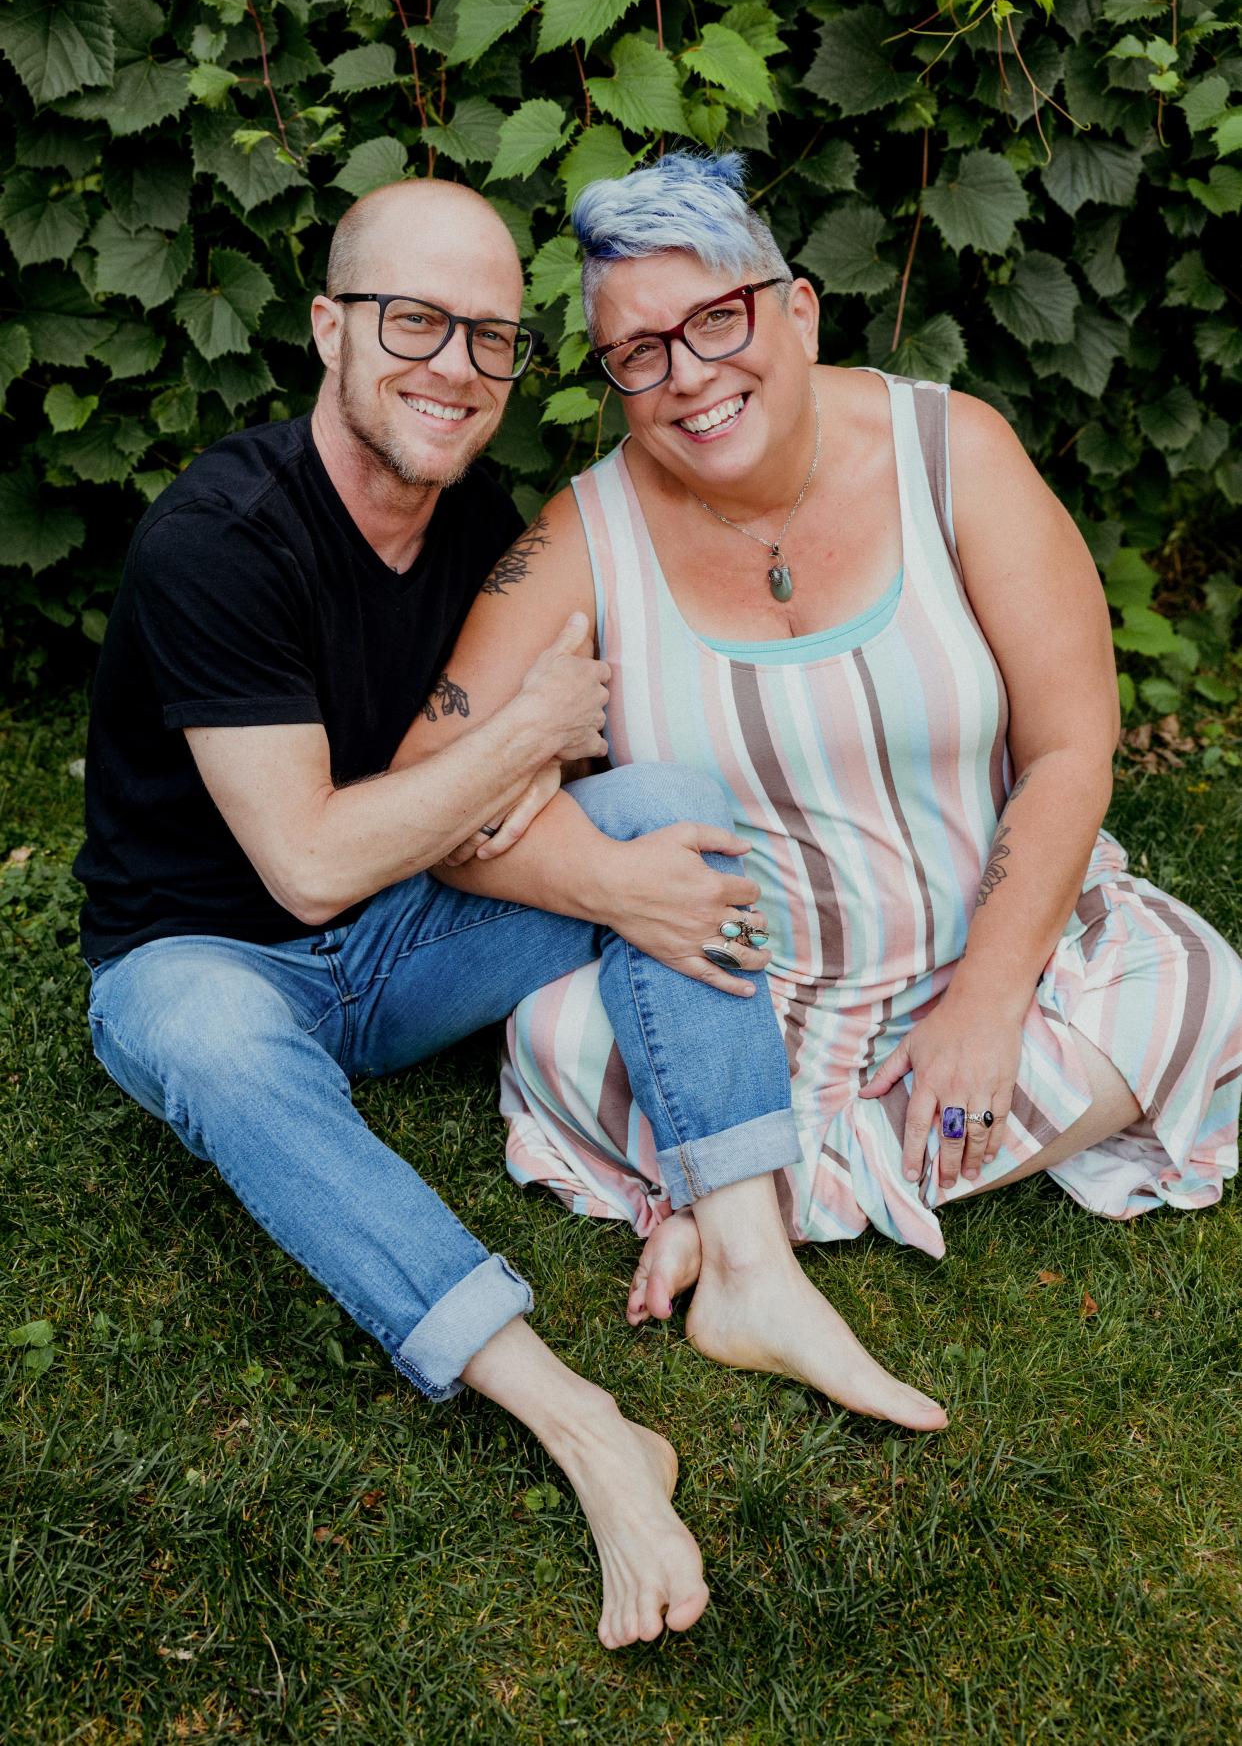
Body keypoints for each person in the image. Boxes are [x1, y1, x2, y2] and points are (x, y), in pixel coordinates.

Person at [75, 177, 947, 1654]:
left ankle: (748, 1262)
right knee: (209, 1036)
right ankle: (584, 1420)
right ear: (327, 330)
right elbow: (304, 863)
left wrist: (579, 841)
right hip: (211, 954)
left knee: (662, 795)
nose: (453, 367)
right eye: (413, 322)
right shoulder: (217, 537)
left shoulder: (481, 525)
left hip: (408, 934)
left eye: (489, 336)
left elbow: (516, 798)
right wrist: (519, 736)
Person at [403, 151, 1241, 1331]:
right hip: (746, 1001)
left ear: (796, 309)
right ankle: (788, 1157)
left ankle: (743, 1194)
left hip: (1007, 949)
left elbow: (1071, 748)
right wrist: (601, 877)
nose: (688, 378)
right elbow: (423, 796)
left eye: (716, 319)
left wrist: (989, 999)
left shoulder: (956, 451)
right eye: (641, 353)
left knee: (1199, 991)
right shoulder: (584, 536)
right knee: (556, 1037)